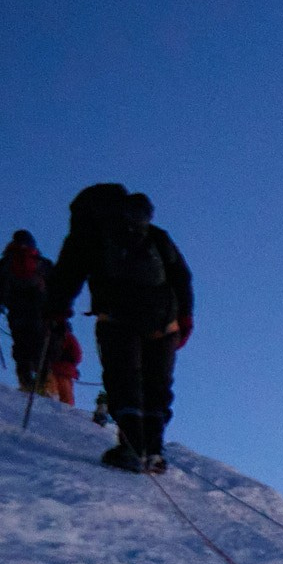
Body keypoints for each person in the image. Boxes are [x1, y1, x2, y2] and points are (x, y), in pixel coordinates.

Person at [47, 186, 193, 473]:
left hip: (118, 320)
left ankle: (131, 447)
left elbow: (66, 277)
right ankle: (153, 450)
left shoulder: (88, 235)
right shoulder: (153, 234)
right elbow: (181, 275)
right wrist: (185, 317)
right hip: (165, 322)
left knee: (124, 380)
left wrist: (56, 310)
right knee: (157, 385)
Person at [0, 230, 53, 393]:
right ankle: (44, 384)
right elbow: (57, 290)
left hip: (16, 312)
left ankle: (25, 382)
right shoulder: (43, 264)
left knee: (21, 345)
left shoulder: (5, 264)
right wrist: (59, 315)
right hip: (40, 312)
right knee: (41, 346)